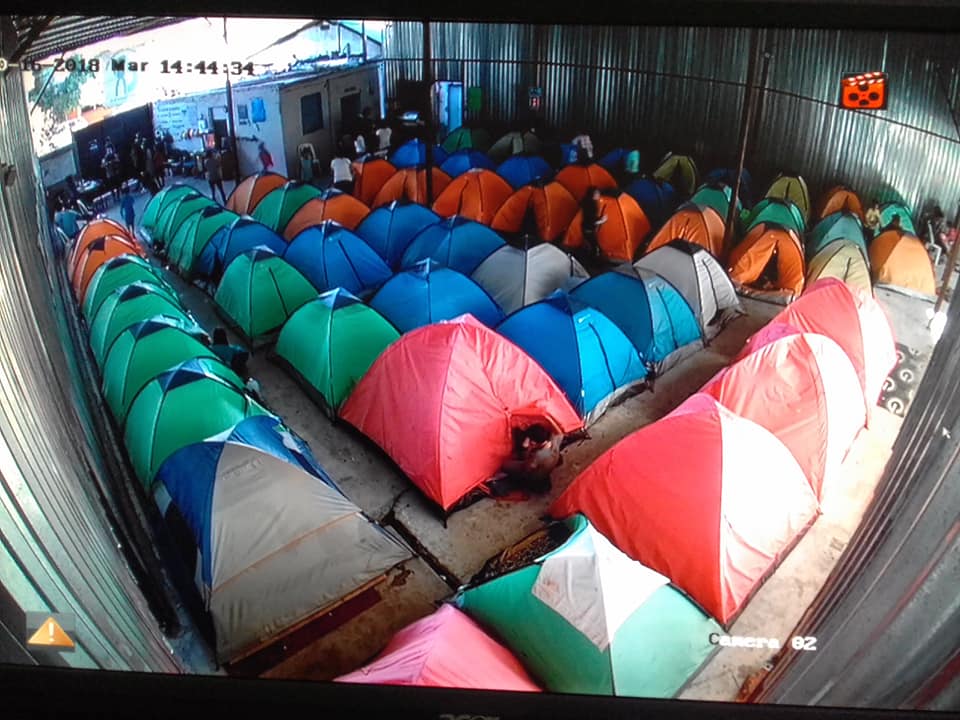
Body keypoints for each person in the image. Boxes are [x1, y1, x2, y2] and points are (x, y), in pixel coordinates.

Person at [497, 424, 563, 494]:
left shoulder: (538, 455)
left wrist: (525, 448)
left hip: (534, 474)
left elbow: (526, 468)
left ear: (533, 442)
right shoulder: (555, 438)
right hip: (548, 463)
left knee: (505, 465)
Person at [580, 186, 608, 261]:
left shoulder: (587, 202)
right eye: (597, 193)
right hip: (588, 228)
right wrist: (602, 220)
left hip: (585, 227)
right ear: (593, 194)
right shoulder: (591, 205)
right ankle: (592, 261)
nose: (599, 195)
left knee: (592, 244)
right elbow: (591, 220)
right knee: (594, 246)